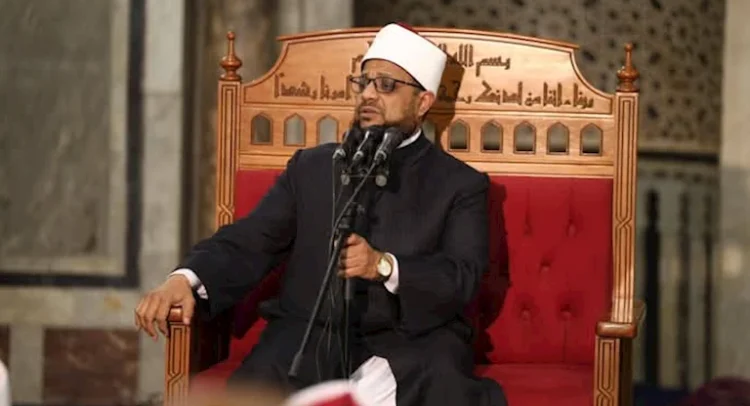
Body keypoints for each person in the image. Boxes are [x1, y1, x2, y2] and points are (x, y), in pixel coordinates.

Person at [134, 22, 506, 406]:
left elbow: (462, 276)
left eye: (386, 85)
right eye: (363, 82)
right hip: (310, 333)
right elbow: (253, 238)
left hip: (413, 341)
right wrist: (186, 278)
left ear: (423, 102)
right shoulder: (312, 167)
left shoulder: (459, 184)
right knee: (259, 387)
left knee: (440, 383)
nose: (368, 94)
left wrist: (383, 266)